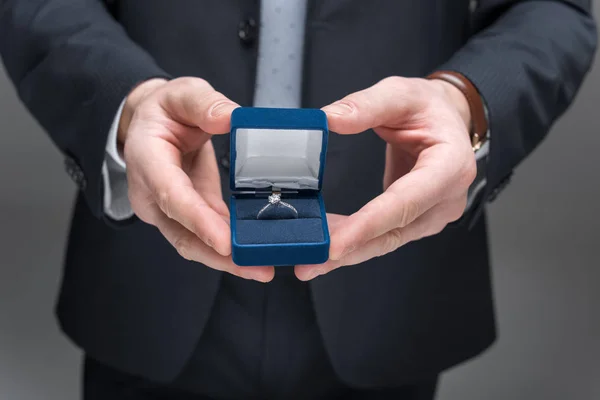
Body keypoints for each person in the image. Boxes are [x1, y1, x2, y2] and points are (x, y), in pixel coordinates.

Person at [0, 1, 596, 399]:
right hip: (149, 275)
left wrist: (465, 101)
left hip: (391, 280)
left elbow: (553, 8)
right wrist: (128, 102)